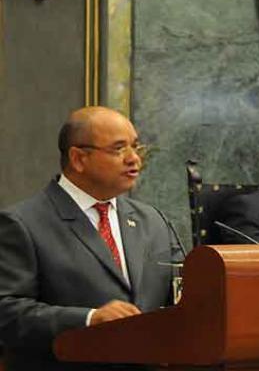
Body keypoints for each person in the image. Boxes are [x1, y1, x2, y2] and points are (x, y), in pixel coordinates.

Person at [0, 107, 183, 370]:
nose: (134, 159)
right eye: (119, 149)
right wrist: (88, 319)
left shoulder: (153, 221)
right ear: (78, 159)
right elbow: (6, 312)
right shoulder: (21, 224)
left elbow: (181, 290)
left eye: (135, 146)